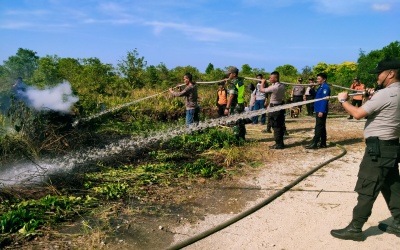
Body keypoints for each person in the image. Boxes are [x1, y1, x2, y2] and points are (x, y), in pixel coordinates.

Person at [330, 58, 400, 241]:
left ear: (390, 74)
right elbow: (382, 111)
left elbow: (358, 114)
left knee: (367, 187)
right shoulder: (393, 92)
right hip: (391, 147)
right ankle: (399, 223)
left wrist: (343, 100)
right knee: (391, 185)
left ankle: (355, 228)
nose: (377, 77)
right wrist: (372, 97)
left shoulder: (386, 94)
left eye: (379, 74)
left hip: (379, 149)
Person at [259, 71, 286, 149]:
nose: (269, 79)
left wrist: (262, 82)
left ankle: (278, 144)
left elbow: (262, 90)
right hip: (280, 106)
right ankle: (281, 143)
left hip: (274, 109)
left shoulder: (274, 87)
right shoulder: (282, 86)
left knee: (276, 126)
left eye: (271, 78)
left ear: (276, 78)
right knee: (280, 126)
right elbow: (274, 85)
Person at [304, 73, 331, 149]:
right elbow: (316, 95)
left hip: (321, 110)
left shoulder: (325, 88)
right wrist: (311, 88)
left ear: (324, 79)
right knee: (322, 126)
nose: (317, 80)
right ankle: (323, 143)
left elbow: (324, 100)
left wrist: (321, 111)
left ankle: (314, 143)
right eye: (317, 79)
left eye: (319, 79)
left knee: (318, 127)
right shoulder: (321, 87)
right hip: (318, 109)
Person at [224, 66, 246, 140]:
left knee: (235, 122)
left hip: (235, 105)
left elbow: (231, 96)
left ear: (234, 74)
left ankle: (237, 139)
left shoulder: (233, 83)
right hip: (241, 103)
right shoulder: (240, 81)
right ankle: (242, 137)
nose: (228, 75)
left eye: (229, 74)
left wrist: (227, 108)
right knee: (240, 121)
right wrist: (228, 83)